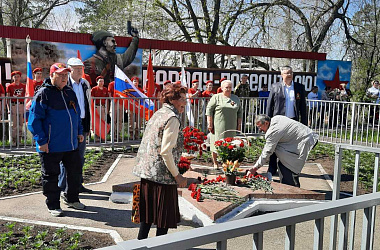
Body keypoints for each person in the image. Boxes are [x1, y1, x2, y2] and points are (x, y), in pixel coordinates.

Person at [28, 63, 86, 217]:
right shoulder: (43, 94)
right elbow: (33, 121)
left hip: (71, 144)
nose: (64, 78)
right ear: (52, 75)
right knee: (51, 176)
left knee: (75, 173)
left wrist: (79, 132)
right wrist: (41, 141)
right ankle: (53, 205)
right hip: (50, 145)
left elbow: (76, 114)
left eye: (66, 75)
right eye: (60, 75)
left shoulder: (69, 92)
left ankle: (72, 198)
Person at [133, 84, 188, 240]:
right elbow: (166, 151)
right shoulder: (172, 118)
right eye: (182, 99)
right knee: (163, 217)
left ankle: (139, 244)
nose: (185, 102)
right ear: (172, 99)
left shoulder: (159, 113)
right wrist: (177, 176)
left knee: (147, 214)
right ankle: (160, 246)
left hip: (147, 173)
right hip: (162, 176)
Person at [247, 115, 319, 187]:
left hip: (304, 141)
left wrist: (255, 168)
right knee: (281, 158)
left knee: (287, 166)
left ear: (266, 123)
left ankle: (292, 190)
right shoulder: (276, 118)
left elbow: (267, 152)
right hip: (306, 137)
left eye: (259, 126)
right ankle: (289, 186)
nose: (259, 129)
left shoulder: (273, 131)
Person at [266, 66, 307, 178]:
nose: (289, 75)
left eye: (290, 73)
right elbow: (270, 106)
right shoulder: (275, 87)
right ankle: (272, 168)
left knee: (290, 147)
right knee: (274, 145)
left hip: (293, 123)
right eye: (286, 73)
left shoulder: (299, 87)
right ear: (281, 75)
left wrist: (304, 124)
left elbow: (303, 107)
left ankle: (287, 169)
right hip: (278, 122)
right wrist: (267, 122)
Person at [59, 58, 93, 194]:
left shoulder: (85, 84)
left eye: (81, 68)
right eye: (77, 68)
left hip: (82, 125)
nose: (80, 71)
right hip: (69, 126)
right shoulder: (65, 84)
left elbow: (87, 105)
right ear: (70, 69)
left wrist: (88, 126)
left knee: (80, 157)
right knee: (66, 158)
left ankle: (77, 184)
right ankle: (62, 187)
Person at [206, 80, 242, 169]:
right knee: (216, 143)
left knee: (230, 144)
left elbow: (240, 112)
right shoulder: (216, 97)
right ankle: (215, 163)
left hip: (232, 125)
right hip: (218, 125)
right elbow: (209, 110)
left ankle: (227, 163)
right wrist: (210, 123)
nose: (228, 89)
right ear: (222, 88)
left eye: (230, 87)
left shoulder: (235, 98)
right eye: (226, 87)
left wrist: (239, 124)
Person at [6, 71, 26, 145]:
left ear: (20, 77)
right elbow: (8, 98)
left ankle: (19, 139)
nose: (16, 78)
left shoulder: (23, 86)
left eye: (18, 77)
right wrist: (8, 108)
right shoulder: (10, 86)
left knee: (21, 123)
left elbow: (26, 96)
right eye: (15, 77)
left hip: (21, 105)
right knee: (13, 124)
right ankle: (13, 140)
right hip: (13, 105)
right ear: (12, 78)